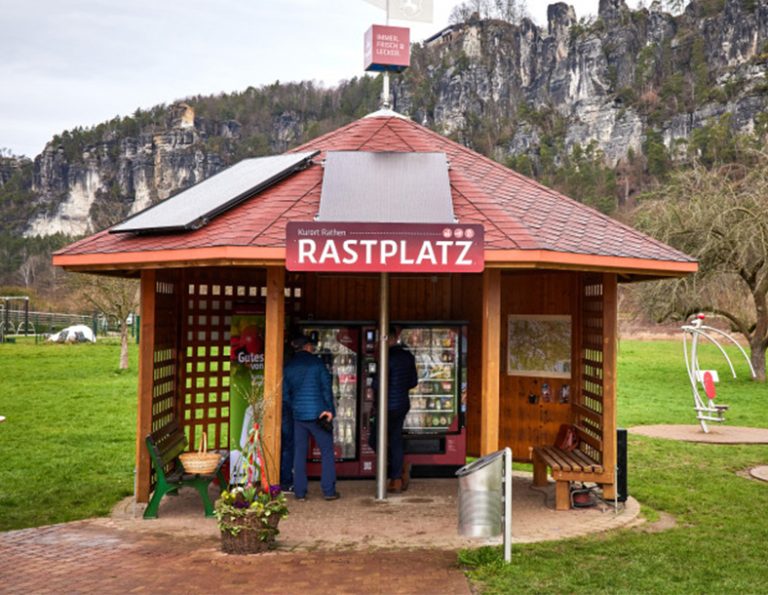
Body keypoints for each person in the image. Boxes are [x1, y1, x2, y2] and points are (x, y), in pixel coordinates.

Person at [282, 335, 339, 501]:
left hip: (298, 416)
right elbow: (326, 388)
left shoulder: (289, 366)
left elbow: (285, 395)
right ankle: (328, 491)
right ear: (307, 346)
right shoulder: (317, 363)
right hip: (318, 414)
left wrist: (295, 407)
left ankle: (299, 492)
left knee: (299, 453)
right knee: (327, 452)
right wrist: (329, 410)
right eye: (311, 346)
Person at [375, 326, 418, 493]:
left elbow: (377, 384)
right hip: (401, 404)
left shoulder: (386, 357)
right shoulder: (408, 356)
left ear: (389, 339)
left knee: (375, 439)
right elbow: (413, 382)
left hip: (386, 405)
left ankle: (396, 473)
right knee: (395, 438)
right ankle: (397, 475)